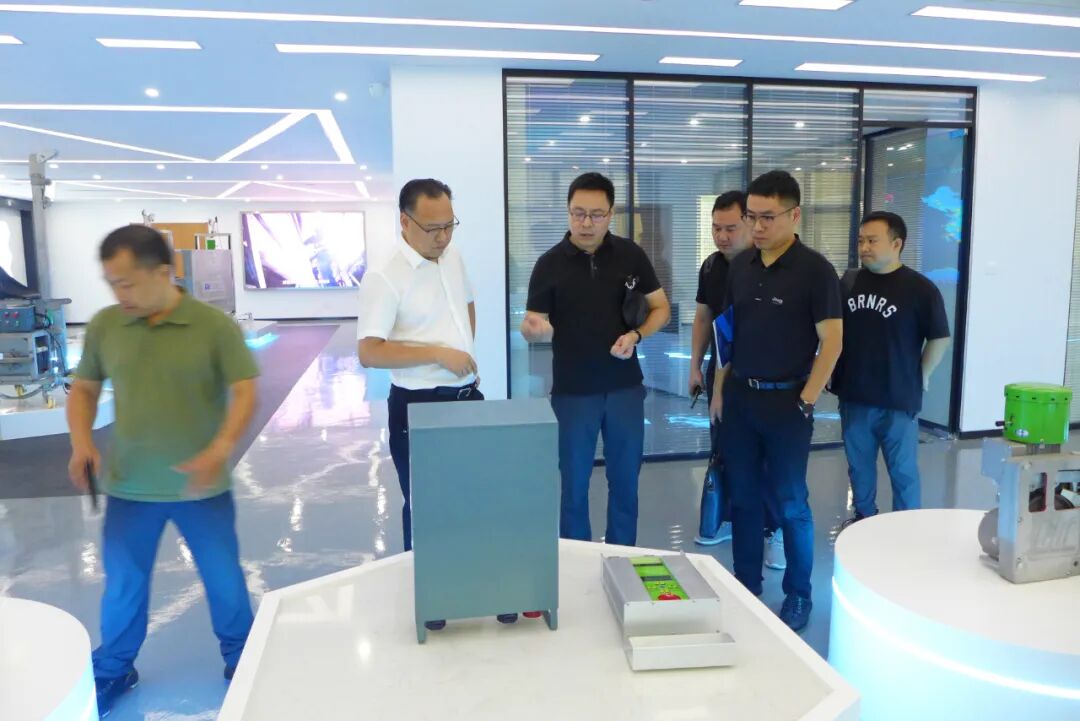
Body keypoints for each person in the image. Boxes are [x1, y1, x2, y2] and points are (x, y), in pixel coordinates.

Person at [67, 225, 259, 717]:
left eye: (127, 282)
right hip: (130, 487)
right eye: (112, 283)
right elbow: (84, 388)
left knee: (224, 580)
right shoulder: (107, 325)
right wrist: (82, 442)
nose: (119, 294)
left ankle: (242, 659)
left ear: (163, 273)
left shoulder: (212, 327)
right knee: (123, 586)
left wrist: (219, 448)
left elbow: (244, 389)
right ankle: (114, 667)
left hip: (202, 488)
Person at [356, 179, 493, 630]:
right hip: (419, 405)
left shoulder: (451, 256)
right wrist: (437, 353)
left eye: (450, 225)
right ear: (404, 221)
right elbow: (369, 351)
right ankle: (430, 599)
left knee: (476, 496)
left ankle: (474, 585)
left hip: (467, 396)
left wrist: (465, 354)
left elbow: (466, 303)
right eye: (433, 228)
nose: (443, 237)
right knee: (427, 506)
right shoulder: (384, 275)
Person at [709, 170, 843, 632]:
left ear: (794, 215)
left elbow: (832, 342)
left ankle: (799, 594)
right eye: (752, 216)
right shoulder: (741, 267)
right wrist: (719, 389)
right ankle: (746, 586)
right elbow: (727, 334)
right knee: (744, 499)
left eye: (768, 217)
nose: (758, 226)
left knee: (790, 502)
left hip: (788, 404)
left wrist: (807, 400)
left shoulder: (815, 271)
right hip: (741, 400)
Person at [521, 172, 670, 547]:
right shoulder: (549, 264)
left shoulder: (631, 256)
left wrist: (637, 335)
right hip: (573, 393)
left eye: (596, 214)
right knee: (573, 485)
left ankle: (622, 557)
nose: (586, 223)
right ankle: (577, 561)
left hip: (624, 389)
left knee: (626, 482)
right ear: (568, 212)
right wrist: (534, 330)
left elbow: (661, 308)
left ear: (611, 214)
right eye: (578, 213)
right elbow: (533, 323)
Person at [833, 211, 951, 527]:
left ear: (897, 244)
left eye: (872, 241)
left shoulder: (920, 289)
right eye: (861, 240)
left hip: (898, 397)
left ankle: (906, 527)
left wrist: (923, 374)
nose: (864, 247)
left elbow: (939, 337)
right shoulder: (849, 283)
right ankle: (863, 517)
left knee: (903, 469)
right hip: (855, 395)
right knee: (859, 466)